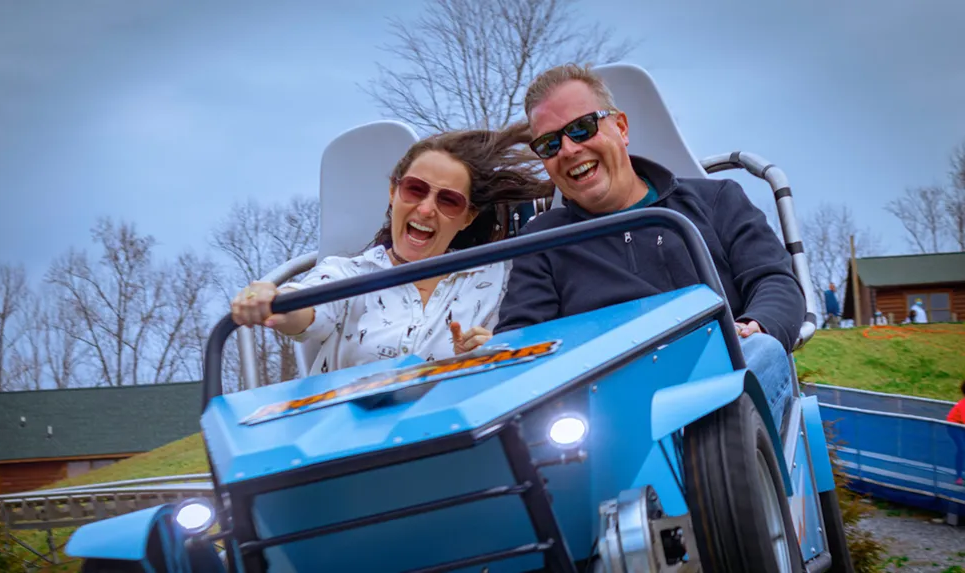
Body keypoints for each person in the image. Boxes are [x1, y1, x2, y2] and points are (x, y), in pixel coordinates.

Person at [490, 63, 806, 432]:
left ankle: (717, 470)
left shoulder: (715, 200)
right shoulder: (541, 242)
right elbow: (523, 337)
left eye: (581, 128)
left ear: (621, 128)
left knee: (762, 353)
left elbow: (774, 281)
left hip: (719, 373)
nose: (569, 149)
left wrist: (757, 325)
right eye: (550, 144)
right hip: (603, 410)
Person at [231, 124, 553, 374]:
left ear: (467, 217)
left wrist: (493, 351)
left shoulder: (497, 276)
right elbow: (307, 311)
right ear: (392, 192)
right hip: (351, 439)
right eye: (415, 190)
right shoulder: (351, 274)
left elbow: (527, 348)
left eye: (448, 200)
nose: (426, 209)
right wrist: (274, 303)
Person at [947, 380, 965, 486]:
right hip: (954, 426)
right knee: (962, 449)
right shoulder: (963, 404)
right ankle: (958, 476)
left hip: (962, 426)